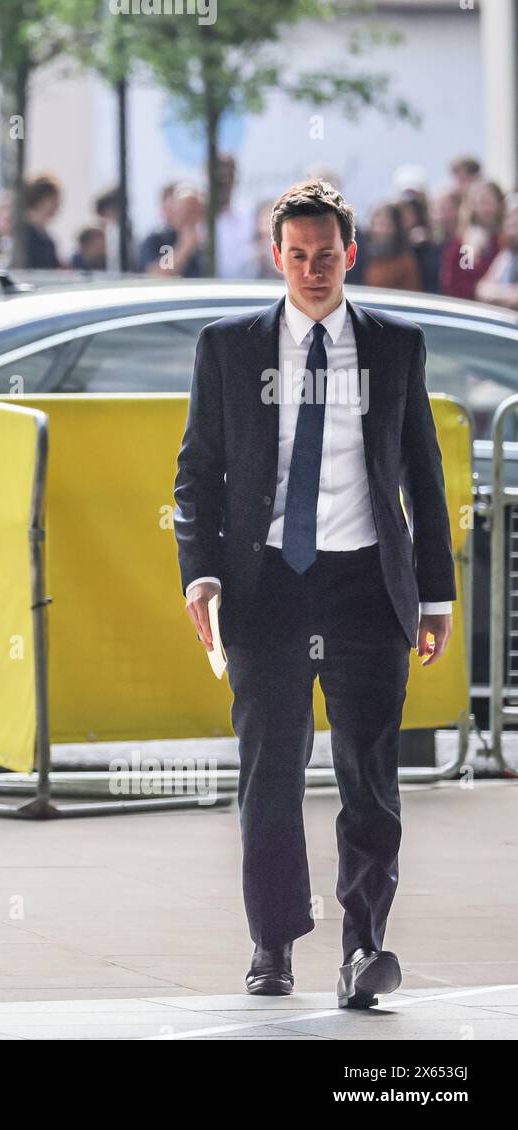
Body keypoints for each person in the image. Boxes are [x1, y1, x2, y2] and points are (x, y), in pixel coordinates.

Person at [173, 179, 455, 1009]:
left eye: (326, 255)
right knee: (271, 775)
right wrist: (202, 572)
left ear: (350, 254)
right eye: (296, 256)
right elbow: (196, 475)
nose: (311, 270)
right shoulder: (228, 347)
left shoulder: (396, 345)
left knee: (370, 776)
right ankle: (272, 943)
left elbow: (425, 477)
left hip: (367, 583)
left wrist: (433, 595)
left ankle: (364, 946)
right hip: (267, 589)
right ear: (276, 257)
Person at [439, 179, 504, 301]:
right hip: (473, 309)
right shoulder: (464, 243)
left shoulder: (506, 239)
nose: (486, 208)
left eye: (490, 202)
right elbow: (459, 278)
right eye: (482, 202)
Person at [142, 182, 206, 278]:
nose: (192, 216)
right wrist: (186, 246)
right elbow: (158, 274)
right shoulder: (158, 239)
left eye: (196, 210)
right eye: (188, 209)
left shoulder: (209, 239)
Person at [361, 202, 423, 291]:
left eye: (384, 224)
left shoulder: (405, 261)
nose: (378, 230)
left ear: (395, 228)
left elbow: (412, 293)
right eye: (375, 224)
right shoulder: (364, 255)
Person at [474, 201, 518, 311]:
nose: (512, 222)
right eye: (509, 217)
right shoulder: (506, 255)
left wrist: (495, 293)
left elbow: (515, 299)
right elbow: (481, 289)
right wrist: (507, 293)